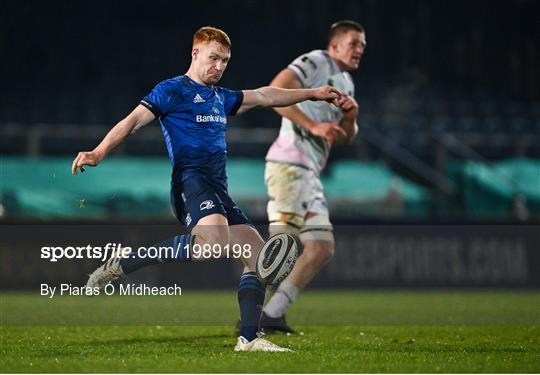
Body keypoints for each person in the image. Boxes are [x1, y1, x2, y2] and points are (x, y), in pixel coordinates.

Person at [71, 26, 341, 352]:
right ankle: (123, 264)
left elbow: (266, 95)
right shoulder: (172, 90)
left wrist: (310, 93)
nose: (219, 66)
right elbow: (131, 122)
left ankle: (249, 338)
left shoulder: (221, 97)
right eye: (214, 58)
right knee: (214, 244)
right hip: (191, 181)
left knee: (256, 259)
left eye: (225, 61)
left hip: (218, 188)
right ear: (195, 53)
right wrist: (98, 152)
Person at [260, 20, 366, 333]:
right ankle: (250, 316)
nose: (359, 49)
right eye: (354, 43)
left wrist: (351, 117)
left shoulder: (346, 82)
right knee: (282, 245)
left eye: (362, 45)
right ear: (334, 45)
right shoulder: (317, 61)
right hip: (291, 164)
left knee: (321, 247)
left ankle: (271, 314)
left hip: (309, 172)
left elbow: (345, 137)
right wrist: (312, 125)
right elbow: (275, 90)